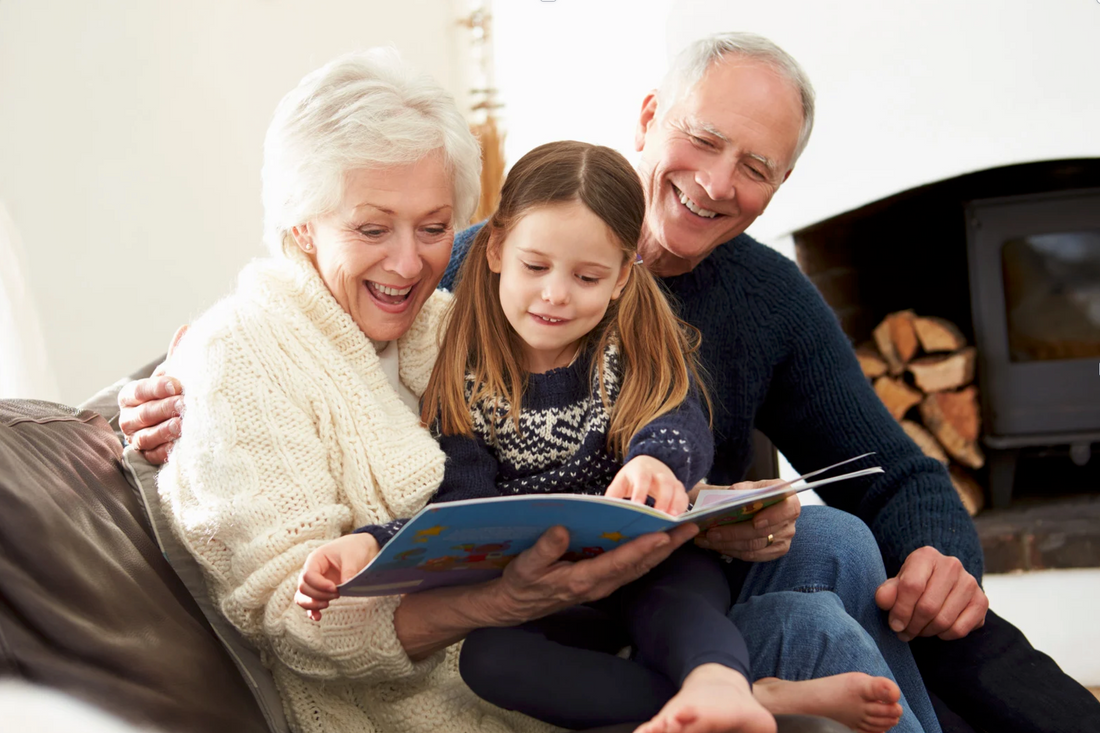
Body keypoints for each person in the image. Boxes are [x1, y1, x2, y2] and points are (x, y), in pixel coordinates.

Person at [120, 34, 1100, 733]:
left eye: (755, 166)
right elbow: (317, 318)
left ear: (779, 186)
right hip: (547, 595)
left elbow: (884, 466)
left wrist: (941, 551)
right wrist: (167, 379)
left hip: (674, 563)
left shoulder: (764, 297)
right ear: (647, 119)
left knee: (859, 546)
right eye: (703, 140)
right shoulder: (473, 275)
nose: (717, 183)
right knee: (817, 594)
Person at [293, 140, 918, 733]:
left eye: (588, 278)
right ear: (493, 250)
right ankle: (755, 696)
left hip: (651, 566)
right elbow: (459, 510)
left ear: (623, 276)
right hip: (548, 598)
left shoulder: (626, 350)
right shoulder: (462, 373)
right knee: (489, 661)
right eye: (534, 267)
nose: (555, 295)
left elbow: (677, 423)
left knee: (681, 599)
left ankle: (717, 682)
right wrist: (370, 547)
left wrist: (658, 465)